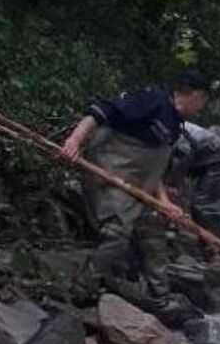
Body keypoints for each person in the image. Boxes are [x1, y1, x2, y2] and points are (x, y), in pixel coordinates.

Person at [59, 71, 209, 320]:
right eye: (203, 101)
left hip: (139, 185)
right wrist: (73, 142)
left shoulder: (175, 124)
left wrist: (164, 201)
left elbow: (154, 167)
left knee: (152, 230)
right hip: (109, 171)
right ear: (195, 96)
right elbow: (101, 111)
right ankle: (80, 289)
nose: (202, 107)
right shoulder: (151, 100)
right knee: (117, 233)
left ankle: (159, 297)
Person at [170, 121, 220, 247]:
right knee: (207, 211)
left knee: (204, 210)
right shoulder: (173, 124)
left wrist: (173, 184)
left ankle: (219, 250)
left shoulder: (173, 127)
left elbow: (183, 154)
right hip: (216, 166)